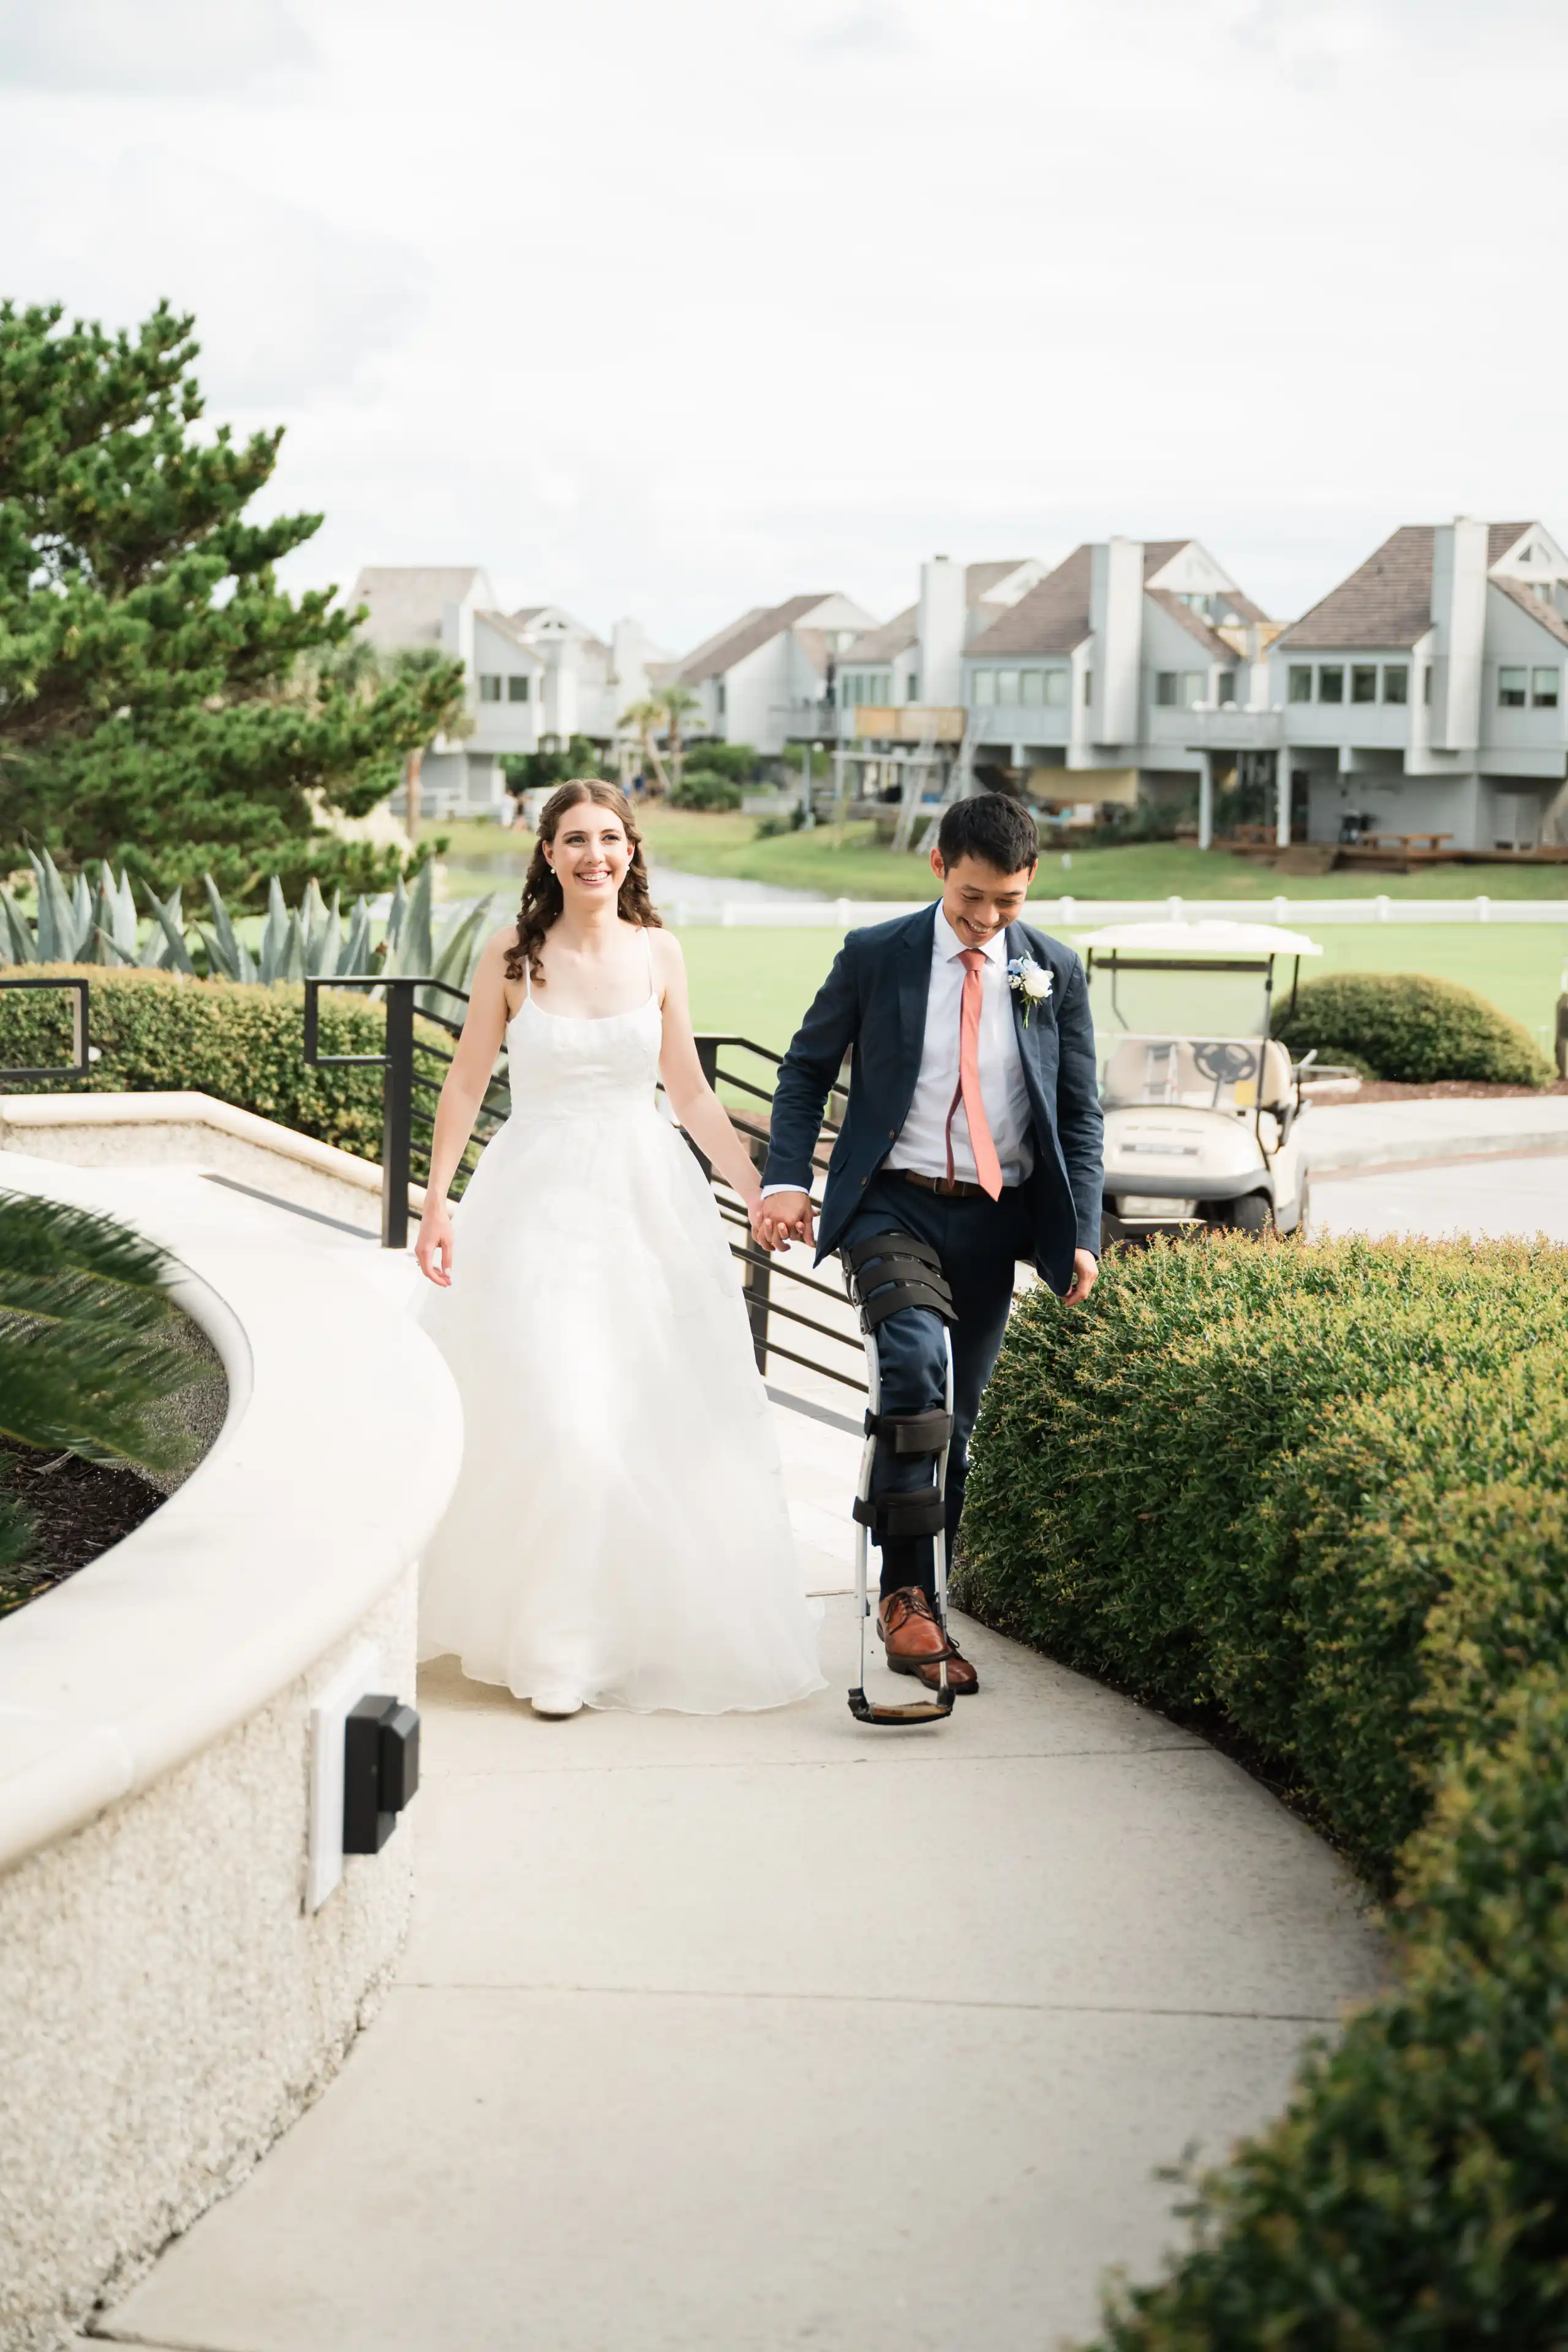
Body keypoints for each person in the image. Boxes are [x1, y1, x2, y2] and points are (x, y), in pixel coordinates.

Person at [412, 779, 824, 1720]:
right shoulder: (514, 959)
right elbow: (468, 1083)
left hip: (647, 1208)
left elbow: (690, 1093)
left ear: (630, 851)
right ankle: (551, 1647)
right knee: (559, 1418)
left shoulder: (662, 954)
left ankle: (606, 1638)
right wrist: (437, 1203)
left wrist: (756, 1189)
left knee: (639, 1418)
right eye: (574, 839)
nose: (593, 853)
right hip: (534, 1206)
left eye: (609, 837)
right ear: (548, 855)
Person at [759, 793, 1104, 1697]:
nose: (988, 920)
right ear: (938, 866)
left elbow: (1078, 1112)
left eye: (1010, 903)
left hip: (997, 1216)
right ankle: (904, 1599)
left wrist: (1084, 1232)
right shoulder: (878, 956)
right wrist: (785, 1178)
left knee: (961, 1419)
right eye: (972, 898)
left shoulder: (1055, 973)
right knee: (914, 1371)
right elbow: (804, 1069)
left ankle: (924, 1598)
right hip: (891, 1204)